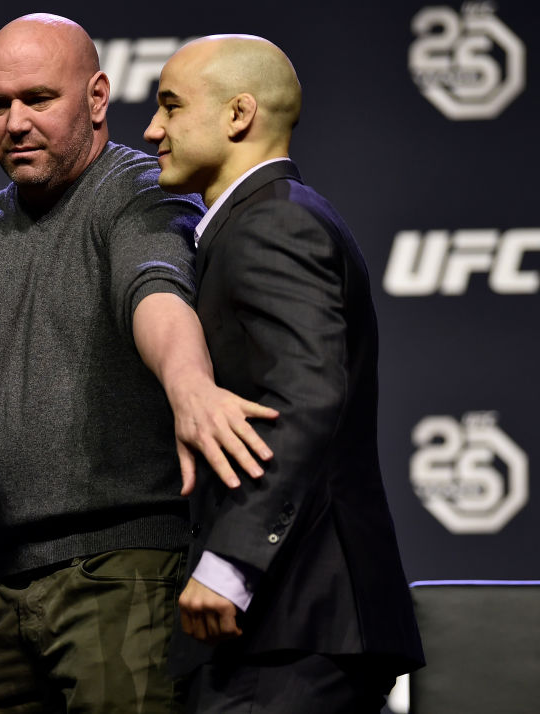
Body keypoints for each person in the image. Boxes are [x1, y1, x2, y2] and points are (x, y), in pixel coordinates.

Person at [0, 14, 277, 713]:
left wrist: (189, 384)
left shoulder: (140, 190)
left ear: (97, 97)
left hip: (129, 575)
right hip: (8, 585)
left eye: (39, 99)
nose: (15, 122)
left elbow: (154, 288)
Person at [143, 34, 425, 712]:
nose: (153, 130)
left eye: (171, 107)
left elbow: (307, 395)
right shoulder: (260, 219)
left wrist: (228, 565)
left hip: (294, 624)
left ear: (239, 114)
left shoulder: (272, 224)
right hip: (284, 628)